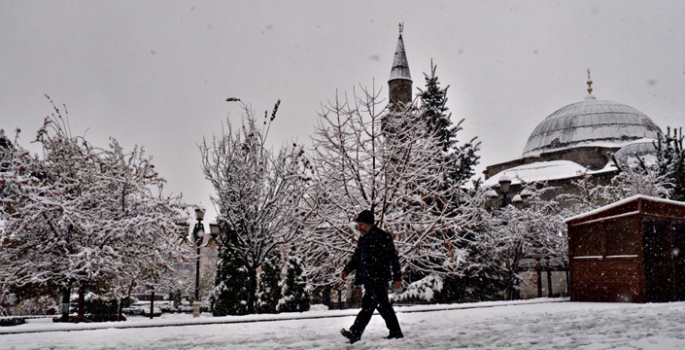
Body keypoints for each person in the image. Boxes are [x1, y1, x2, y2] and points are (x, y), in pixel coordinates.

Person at [339, 210, 403, 344]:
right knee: (382, 306)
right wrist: (346, 270)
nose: (359, 228)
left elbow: (393, 258)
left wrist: (397, 277)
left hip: (379, 278)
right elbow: (356, 258)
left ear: (369, 224)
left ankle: (355, 333)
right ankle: (395, 331)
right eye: (359, 225)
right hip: (368, 278)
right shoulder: (363, 240)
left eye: (361, 224)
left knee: (369, 306)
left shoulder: (383, 237)